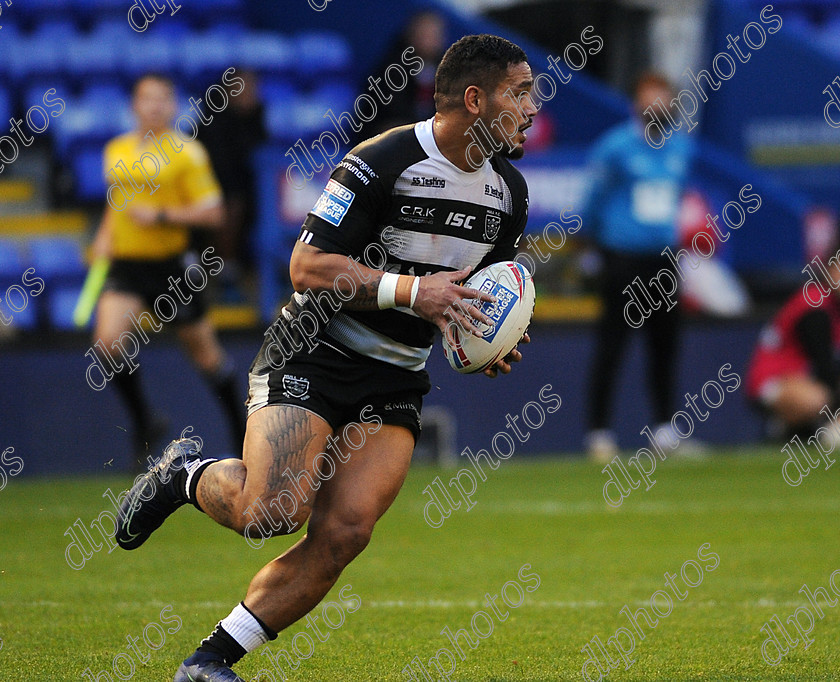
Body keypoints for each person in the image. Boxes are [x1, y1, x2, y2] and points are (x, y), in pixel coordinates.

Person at [113, 34, 537, 682]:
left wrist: (485, 339)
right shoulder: (383, 160)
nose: (534, 106)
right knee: (272, 513)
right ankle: (184, 475)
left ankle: (208, 662)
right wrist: (413, 291)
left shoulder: (509, 193)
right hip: (313, 351)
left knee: (344, 533)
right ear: (476, 100)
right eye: (521, 91)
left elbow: (472, 295)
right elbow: (306, 266)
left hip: (395, 373)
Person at [90, 74, 247, 467]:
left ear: (174, 106)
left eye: (163, 99)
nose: (155, 106)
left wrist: (160, 215)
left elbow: (213, 213)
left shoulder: (187, 153)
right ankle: (146, 421)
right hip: (127, 264)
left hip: (171, 268)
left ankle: (242, 432)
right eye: (147, 99)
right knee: (108, 344)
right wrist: (105, 235)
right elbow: (119, 202)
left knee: (206, 356)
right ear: (134, 105)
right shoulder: (116, 150)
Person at [580, 72, 694, 462]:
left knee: (665, 345)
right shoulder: (615, 147)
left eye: (664, 97)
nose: (658, 106)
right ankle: (599, 431)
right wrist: (597, 250)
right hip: (622, 258)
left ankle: (664, 428)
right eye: (650, 98)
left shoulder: (681, 148)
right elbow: (592, 202)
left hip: (662, 259)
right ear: (636, 104)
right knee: (612, 344)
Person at [746, 273, 840, 441]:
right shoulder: (815, 301)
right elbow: (825, 366)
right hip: (771, 381)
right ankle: (785, 427)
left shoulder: (834, 306)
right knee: (816, 398)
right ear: (831, 269)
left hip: (804, 377)